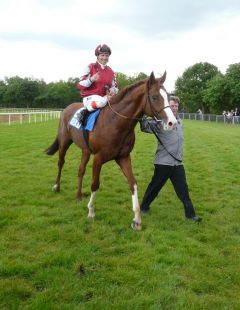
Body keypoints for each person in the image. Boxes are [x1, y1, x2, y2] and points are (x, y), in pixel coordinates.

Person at [140, 96, 202, 222]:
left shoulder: (179, 122)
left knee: (183, 190)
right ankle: (143, 207)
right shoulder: (161, 121)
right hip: (163, 163)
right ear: (168, 106)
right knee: (155, 187)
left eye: (176, 106)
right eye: (172, 106)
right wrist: (142, 117)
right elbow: (145, 127)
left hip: (177, 163)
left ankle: (190, 215)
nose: (174, 108)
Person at [76, 44, 118, 126]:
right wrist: (91, 79)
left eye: (107, 55)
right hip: (89, 98)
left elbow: (115, 87)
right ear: (97, 56)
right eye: (102, 55)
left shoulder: (111, 71)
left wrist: (113, 90)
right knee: (102, 101)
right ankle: (84, 112)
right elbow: (79, 84)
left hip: (105, 98)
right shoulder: (90, 67)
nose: (105, 58)